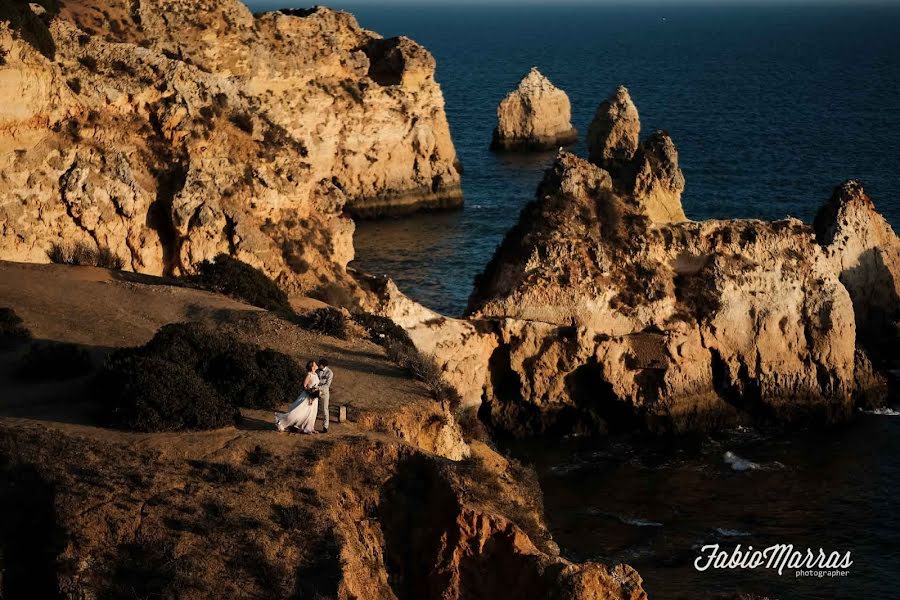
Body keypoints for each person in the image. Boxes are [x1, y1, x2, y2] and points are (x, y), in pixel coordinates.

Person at [274, 360, 320, 434]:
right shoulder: (309, 375)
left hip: (314, 397)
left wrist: (316, 393)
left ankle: (310, 428)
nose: (316, 365)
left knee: (312, 413)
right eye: (315, 364)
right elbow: (304, 386)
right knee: (300, 413)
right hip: (307, 396)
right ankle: (281, 421)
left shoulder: (316, 374)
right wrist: (310, 393)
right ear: (312, 367)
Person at [316, 358, 334, 433]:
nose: (318, 365)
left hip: (324, 392)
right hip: (315, 391)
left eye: (319, 364)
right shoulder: (317, 371)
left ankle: (325, 426)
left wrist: (318, 387)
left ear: (323, 365)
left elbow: (327, 385)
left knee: (325, 409)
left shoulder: (330, 373)